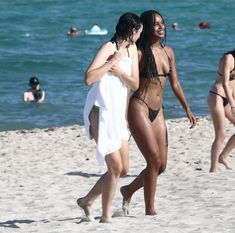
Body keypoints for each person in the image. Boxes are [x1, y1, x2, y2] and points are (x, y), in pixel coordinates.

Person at [120, 10, 196, 216]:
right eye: (155, 24)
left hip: (158, 111)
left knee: (161, 165)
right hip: (139, 108)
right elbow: (128, 85)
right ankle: (149, 210)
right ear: (146, 28)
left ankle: (128, 190)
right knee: (152, 161)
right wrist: (123, 115)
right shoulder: (138, 53)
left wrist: (187, 108)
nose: (161, 27)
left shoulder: (168, 52)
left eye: (162, 23)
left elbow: (176, 83)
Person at [77, 12, 142, 223]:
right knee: (114, 167)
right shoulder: (108, 47)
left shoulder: (132, 49)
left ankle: (87, 200)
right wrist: (111, 63)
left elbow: (134, 84)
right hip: (100, 110)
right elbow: (89, 78)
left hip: (118, 112)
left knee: (123, 169)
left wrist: (120, 73)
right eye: (138, 32)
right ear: (131, 30)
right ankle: (105, 217)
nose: (139, 36)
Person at [207, 49, 235, 172]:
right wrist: (233, 104)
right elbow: (224, 83)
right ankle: (213, 168)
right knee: (221, 134)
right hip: (216, 96)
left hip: (229, 99)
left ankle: (222, 156)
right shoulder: (228, 58)